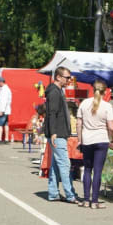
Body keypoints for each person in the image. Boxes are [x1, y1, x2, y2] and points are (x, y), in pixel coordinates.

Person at [76, 80, 113, 209]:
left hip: (87, 140)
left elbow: (79, 124)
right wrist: (112, 139)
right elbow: (111, 127)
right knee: (97, 171)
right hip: (101, 140)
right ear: (105, 91)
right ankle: (95, 201)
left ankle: (86, 200)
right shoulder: (107, 106)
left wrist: (80, 140)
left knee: (87, 169)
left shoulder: (84, 103)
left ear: (92, 89)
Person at [44, 66, 77, 203]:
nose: (69, 80)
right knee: (64, 164)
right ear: (58, 77)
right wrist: (53, 133)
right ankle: (70, 195)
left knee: (56, 165)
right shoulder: (54, 92)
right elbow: (52, 113)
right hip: (57, 134)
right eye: (67, 77)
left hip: (59, 133)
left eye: (70, 77)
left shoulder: (57, 91)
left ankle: (53, 193)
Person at [0, 76, 12, 143]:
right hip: (6, 110)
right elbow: (1, 100)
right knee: (6, 125)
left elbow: (4, 101)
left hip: (3, 110)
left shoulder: (4, 90)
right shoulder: (6, 89)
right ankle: (6, 139)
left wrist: (2, 110)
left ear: (1, 82)